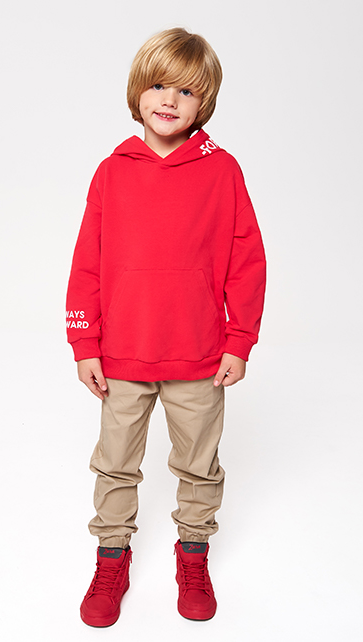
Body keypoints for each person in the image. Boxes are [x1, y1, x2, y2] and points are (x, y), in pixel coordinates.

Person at [66, 26, 266, 627]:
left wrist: (239, 341)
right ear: (138, 91)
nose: (170, 100)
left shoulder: (222, 170)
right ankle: (112, 558)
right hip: (122, 355)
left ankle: (193, 554)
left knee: (199, 465)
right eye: (158, 85)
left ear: (204, 102)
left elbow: (247, 260)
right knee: (115, 463)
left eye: (186, 91)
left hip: (199, 356)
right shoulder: (112, 171)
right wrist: (84, 341)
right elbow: (87, 262)